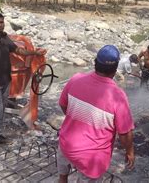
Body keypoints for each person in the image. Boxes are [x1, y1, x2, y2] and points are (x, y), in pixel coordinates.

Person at [58, 45, 135, 182]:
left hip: (66, 145)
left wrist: (76, 117)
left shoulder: (76, 78)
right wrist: (129, 151)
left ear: (95, 62)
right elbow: (124, 134)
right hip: (91, 158)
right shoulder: (118, 96)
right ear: (115, 68)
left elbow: (63, 105)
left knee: (63, 177)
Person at [0, 12, 47, 151]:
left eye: (1, 22)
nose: (0, 24)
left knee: (0, 111)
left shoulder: (4, 37)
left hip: (5, 81)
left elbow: (18, 50)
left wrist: (34, 53)